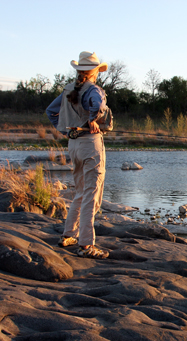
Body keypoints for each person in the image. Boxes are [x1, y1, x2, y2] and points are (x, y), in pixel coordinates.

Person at [46, 51, 110, 259]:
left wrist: (66, 130)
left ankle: (68, 235)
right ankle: (86, 245)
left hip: (73, 144)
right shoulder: (93, 89)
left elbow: (50, 111)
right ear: (94, 72)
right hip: (90, 145)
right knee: (91, 194)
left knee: (80, 191)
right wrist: (93, 120)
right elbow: (99, 105)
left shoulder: (68, 89)